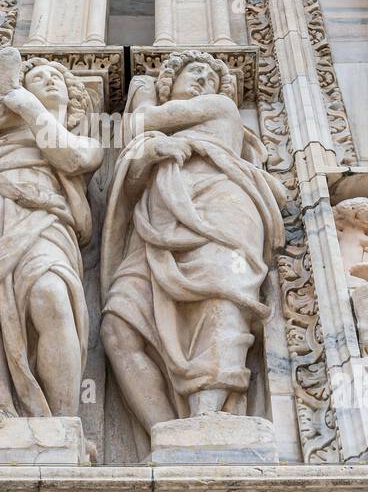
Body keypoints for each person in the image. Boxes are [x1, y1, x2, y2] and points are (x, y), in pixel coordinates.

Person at [100, 51, 286, 430]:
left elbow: (143, 120)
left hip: (219, 209)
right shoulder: (161, 139)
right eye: (193, 72)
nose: (204, 80)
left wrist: (143, 94)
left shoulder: (218, 107)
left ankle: (208, 417)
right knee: (118, 326)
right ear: (170, 81)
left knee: (220, 300)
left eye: (212, 77)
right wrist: (153, 150)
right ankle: (167, 432)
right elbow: (132, 179)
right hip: (156, 224)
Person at [0, 47, 104, 422]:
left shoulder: (88, 144)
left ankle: (62, 421)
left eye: (57, 78)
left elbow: (71, 158)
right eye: (38, 77)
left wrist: (30, 107)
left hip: (44, 213)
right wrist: (11, 77)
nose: (49, 79)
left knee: (51, 297)